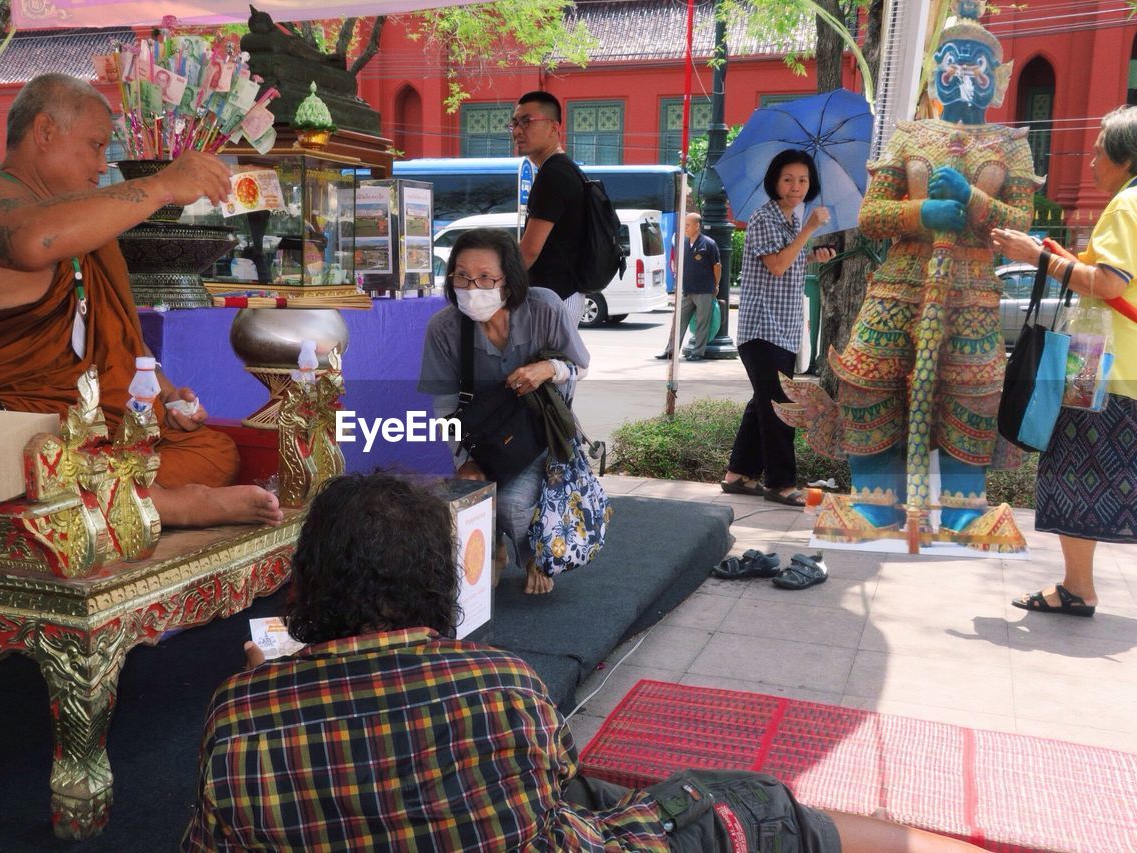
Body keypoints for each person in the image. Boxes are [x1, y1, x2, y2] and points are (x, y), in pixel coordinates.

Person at [183, 471, 987, 852]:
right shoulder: (499, 685)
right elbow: (551, 789)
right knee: (757, 804)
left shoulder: (239, 712)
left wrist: (265, 691)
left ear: (311, 583)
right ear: (434, 580)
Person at [0, 73, 283, 528]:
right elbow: (32, 240)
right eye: (95, 146)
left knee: (212, 449)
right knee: (31, 457)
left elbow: (125, 346)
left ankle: (129, 496)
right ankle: (164, 504)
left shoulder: (88, 234)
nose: (103, 165)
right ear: (45, 132)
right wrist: (162, 185)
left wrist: (166, 396)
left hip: (75, 426)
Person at [787, 2, 1036, 546]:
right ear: (933, 72)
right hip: (900, 283)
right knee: (869, 376)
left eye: (975, 61)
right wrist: (921, 214)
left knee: (969, 389)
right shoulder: (908, 137)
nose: (961, 70)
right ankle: (878, 502)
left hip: (970, 288)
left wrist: (972, 200)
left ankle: (963, 509)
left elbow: (1022, 220)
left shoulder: (1009, 145)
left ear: (996, 78)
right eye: (949, 58)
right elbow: (873, 217)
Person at [991, 104, 1137, 616]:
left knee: (1071, 475)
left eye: (1099, 151)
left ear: (1124, 158)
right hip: (1123, 371)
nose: (1092, 159)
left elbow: (1108, 284)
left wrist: (1035, 257)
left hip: (1104, 372)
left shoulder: (1126, 207)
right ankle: (1077, 585)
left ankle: (1078, 588)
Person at [418, 227, 589, 595]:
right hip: (482, 437)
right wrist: (464, 458)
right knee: (467, 493)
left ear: (508, 281)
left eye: (485, 278)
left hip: (540, 432)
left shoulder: (544, 307)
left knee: (512, 503)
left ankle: (533, 555)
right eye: (462, 276)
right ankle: (492, 547)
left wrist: (547, 369)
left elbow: (579, 366)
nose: (471, 287)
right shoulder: (444, 328)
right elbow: (444, 407)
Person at [722, 150, 835, 506]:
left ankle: (738, 474)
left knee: (763, 402)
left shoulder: (790, 221)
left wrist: (814, 255)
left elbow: (791, 261)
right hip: (761, 328)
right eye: (788, 179)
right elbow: (776, 265)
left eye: (803, 180)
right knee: (781, 404)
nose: (796, 187)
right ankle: (780, 483)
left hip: (783, 329)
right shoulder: (765, 218)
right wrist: (810, 230)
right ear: (774, 181)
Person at [513, 91, 588, 322]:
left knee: (548, 360)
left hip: (554, 299)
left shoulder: (553, 175)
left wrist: (498, 284)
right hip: (562, 296)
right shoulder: (564, 169)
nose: (517, 131)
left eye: (527, 122)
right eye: (514, 123)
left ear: (554, 127)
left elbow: (529, 250)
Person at [656, 213, 721, 361]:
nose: (685, 228)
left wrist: (715, 285)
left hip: (704, 290)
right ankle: (670, 351)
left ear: (697, 226)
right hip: (687, 290)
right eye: (684, 225)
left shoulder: (708, 244)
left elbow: (717, 267)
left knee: (702, 324)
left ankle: (697, 353)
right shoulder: (684, 244)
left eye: (688, 225)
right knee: (678, 322)